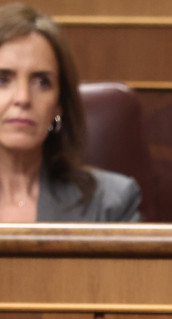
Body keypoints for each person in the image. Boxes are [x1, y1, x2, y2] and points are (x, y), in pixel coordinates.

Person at [0, 3, 141, 222]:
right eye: (3, 80)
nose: (23, 98)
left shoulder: (110, 203)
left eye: (42, 82)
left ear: (59, 105)